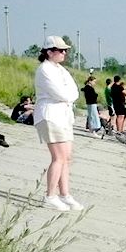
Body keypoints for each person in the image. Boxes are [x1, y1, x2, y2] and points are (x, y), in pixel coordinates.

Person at [34, 36, 82, 212]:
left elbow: (74, 91)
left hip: (64, 116)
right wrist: (67, 94)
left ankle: (65, 194)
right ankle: (50, 196)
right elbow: (59, 93)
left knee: (67, 158)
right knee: (59, 157)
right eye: (60, 50)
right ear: (49, 52)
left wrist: (68, 94)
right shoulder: (44, 69)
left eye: (65, 50)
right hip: (50, 116)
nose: (64, 53)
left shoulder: (61, 69)